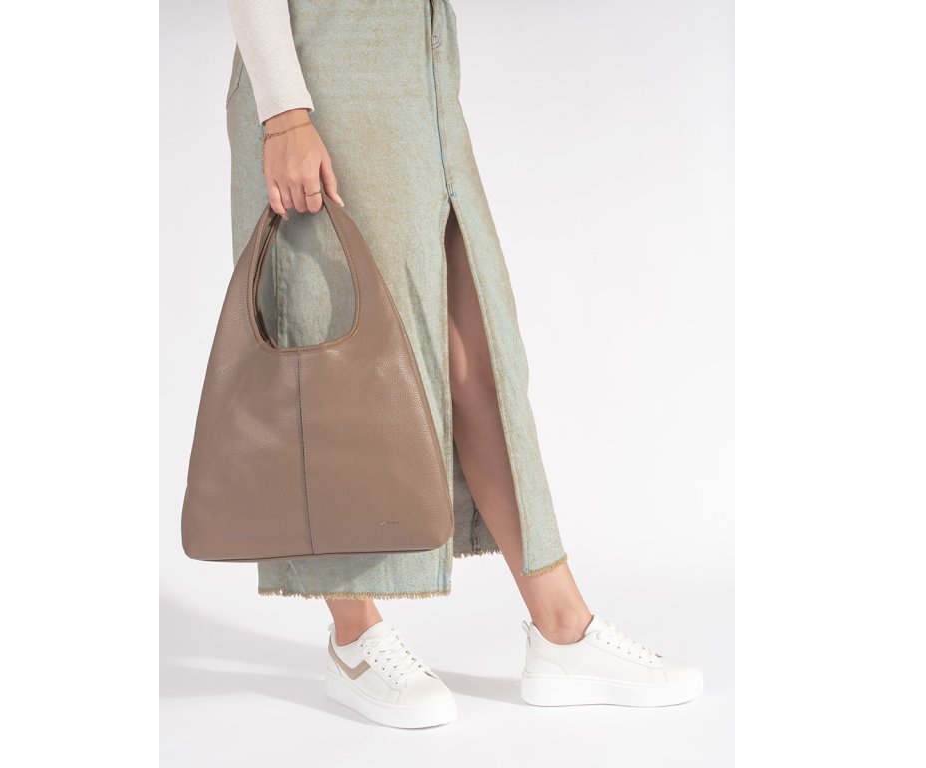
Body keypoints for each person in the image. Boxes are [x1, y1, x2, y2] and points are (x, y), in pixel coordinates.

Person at [223, 0, 703, 728]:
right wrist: (284, 113)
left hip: (422, 66)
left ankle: (561, 628)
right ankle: (354, 636)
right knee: (331, 359)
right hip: (319, 65)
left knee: (478, 355)